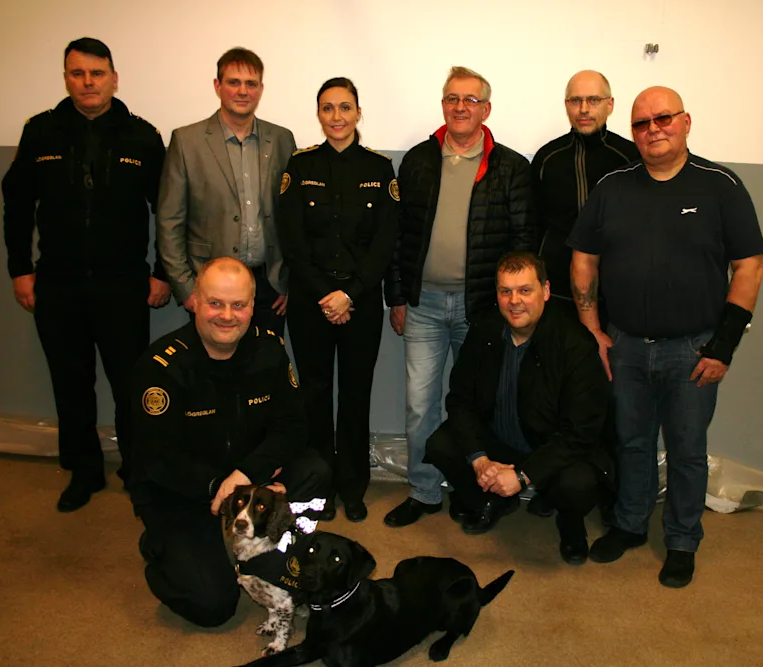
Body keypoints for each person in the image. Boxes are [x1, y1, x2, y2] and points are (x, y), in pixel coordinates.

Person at [568, 86, 763, 588]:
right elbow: (584, 259)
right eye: (641, 123)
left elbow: (749, 266)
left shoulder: (720, 185)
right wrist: (592, 329)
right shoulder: (612, 188)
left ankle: (681, 541)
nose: (653, 130)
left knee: (686, 450)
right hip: (626, 346)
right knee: (632, 443)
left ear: (686, 122)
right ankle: (630, 525)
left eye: (663, 118)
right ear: (632, 132)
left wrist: (723, 346)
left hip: (693, 349)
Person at [2, 37, 171, 513]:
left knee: (131, 384)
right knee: (70, 383)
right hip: (58, 282)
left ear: (114, 78)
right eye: (78, 73)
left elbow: (168, 210)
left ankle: (137, 471)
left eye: (97, 73)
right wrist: (20, 270)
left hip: (123, 283)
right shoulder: (41, 132)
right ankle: (84, 472)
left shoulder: (142, 136)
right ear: (66, 79)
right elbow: (17, 206)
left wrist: (162, 272)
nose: (88, 82)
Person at [130, 257, 329, 627]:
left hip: (245, 479)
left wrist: (248, 478)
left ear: (252, 306)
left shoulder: (269, 349)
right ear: (194, 301)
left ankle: (269, 546)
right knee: (213, 607)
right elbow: (156, 459)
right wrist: (219, 489)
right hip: (184, 492)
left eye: (238, 304)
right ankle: (159, 546)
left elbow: (293, 427)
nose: (226, 316)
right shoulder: (161, 368)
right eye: (215, 303)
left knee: (314, 470)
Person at [383, 66, 536, 528]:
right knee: (420, 405)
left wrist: (510, 308)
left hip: (483, 310)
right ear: (443, 104)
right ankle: (424, 491)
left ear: (486, 109)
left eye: (470, 99)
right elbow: (398, 235)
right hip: (424, 305)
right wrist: (397, 296)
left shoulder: (511, 167)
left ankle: (479, 492)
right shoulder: (418, 160)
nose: (460, 107)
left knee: (482, 406)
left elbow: (523, 241)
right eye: (452, 98)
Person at [424, 252, 612, 565]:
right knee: (440, 445)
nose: (514, 301)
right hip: (499, 442)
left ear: (546, 291)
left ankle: (570, 523)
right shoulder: (484, 330)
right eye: (505, 291)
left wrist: (524, 476)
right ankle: (493, 501)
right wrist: (479, 460)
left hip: (551, 448)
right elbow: (460, 399)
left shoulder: (575, 344)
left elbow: (580, 432)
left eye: (525, 290)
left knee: (578, 484)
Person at [277, 78, 399, 523]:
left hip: (360, 302)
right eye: (327, 108)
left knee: (355, 395)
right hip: (310, 302)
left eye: (345, 107)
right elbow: (292, 241)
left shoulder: (379, 168)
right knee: (313, 396)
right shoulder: (300, 165)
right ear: (318, 114)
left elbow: (385, 242)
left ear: (358, 113)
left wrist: (350, 294)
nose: (337, 116)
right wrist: (324, 295)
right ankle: (320, 487)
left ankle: (353, 486)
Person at [529, 70, 639, 520]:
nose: (584, 109)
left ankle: (613, 495)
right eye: (576, 100)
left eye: (593, 100)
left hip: (615, 299)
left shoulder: (630, 157)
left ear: (610, 105)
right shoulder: (547, 158)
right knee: (554, 395)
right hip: (555, 297)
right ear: (566, 105)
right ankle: (554, 485)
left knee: (614, 399)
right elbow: (532, 229)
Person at [157, 47, 296, 334]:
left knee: (266, 360)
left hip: (269, 286)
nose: (243, 91)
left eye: (251, 84)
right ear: (217, 86)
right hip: (210, 289)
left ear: (261, 89)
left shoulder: (282, 139)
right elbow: (169, 221)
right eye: (234, 82)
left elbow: (293, 218)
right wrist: (186, 288)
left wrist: (288, 281)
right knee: (215, 362)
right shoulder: (187, 142)